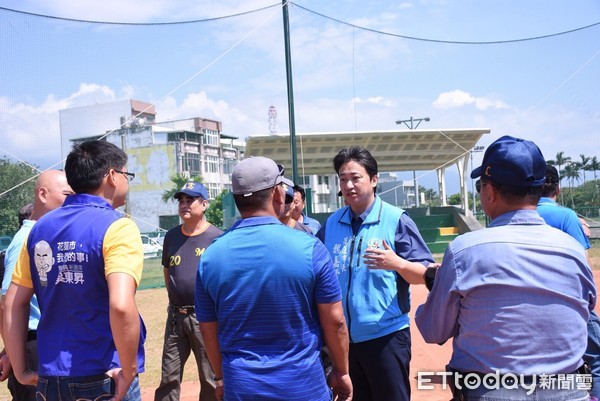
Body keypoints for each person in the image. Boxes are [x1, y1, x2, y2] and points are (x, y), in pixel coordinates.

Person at [415, 135, 596, 400]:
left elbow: (433, 330)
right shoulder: (573, 250)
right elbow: (586, 309)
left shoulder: (465, 250)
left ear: (489, 192)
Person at [195, 156, 352, 401]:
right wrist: (341, 371)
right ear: (278, 194)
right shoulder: (310, 248)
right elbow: (335, 321)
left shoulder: (210, 256)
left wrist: (221, 378)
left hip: (242, 388)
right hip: (303, 387)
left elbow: (207, 329)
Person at [3, 140, 146, 401]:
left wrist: (21, 370)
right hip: (104, 374)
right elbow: (122, 306)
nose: (128, 182)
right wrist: (129, 369)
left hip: (50, 379)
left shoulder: (38, 230)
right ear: (112, 176)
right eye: (128, 175)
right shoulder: (119, 227)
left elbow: (11, 304)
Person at [316, 146, 434, 401]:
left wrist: (397, 263)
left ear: (374, 179)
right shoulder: (331, 224)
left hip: (386, 337)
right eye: (343, 178)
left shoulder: (396, 220)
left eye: (355, 177)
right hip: (343, 341)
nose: (348, 185)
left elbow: (426, 274)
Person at [0, 171, 73, 401]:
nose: (72, 199)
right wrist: (14, 353)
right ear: (43, 194)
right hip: (32, 345)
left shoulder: (47, 235)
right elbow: (7, 303)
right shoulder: (26, 239)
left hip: (46, 341)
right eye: (66, 194)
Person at [154, 181, 222, 401]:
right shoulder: (171, 236)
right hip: (175, 317)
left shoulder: (217, 238)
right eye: (181, 201)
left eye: (190, 200)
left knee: (210, 377)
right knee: (169, 377)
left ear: (204, 204)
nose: (184, 205)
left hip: (205, 317)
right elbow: (168, 272)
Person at [538, 163, 600, 400]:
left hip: (531, 303)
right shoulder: (566, 216)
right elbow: (583, 268)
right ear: (558, 189)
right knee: (596, 360)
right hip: (568, 302)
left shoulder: (520, 214)